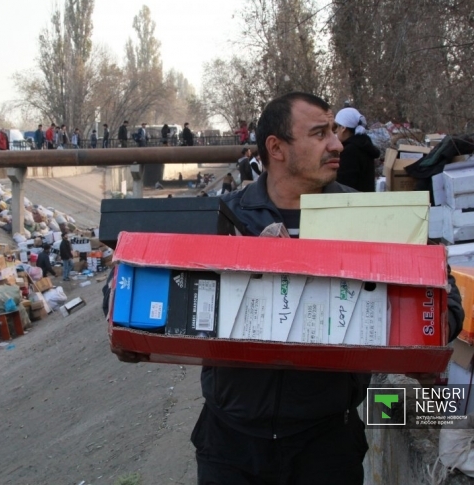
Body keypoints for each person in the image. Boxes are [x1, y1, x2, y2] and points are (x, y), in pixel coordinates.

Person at [192, 92, 464, 485]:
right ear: (277, 148)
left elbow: (445, 291)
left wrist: (430, 327)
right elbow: (151, 291)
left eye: (335, 132)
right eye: (320, 134)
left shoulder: (371, 219)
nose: (336, 143)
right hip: (229, 446)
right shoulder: (224, 219)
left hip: (327, 447)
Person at [334, 107, 380, 192]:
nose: (336, 131)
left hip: (353, 202)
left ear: (343, 128)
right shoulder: (363, 145)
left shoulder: (350, 151)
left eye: (336, 126)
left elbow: (344, 183)